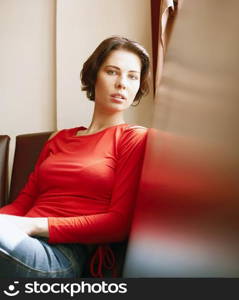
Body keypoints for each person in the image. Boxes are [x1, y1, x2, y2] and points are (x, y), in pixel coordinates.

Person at [0, 36, 150, 278]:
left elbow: (118, 222)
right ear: (94, 76)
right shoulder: (58, 139)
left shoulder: (133, 138)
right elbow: (22, 204)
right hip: (18, 239)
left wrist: (34, 226)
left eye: (132, 76)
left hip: (63, 255)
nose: (122, 83)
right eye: (112, 72)